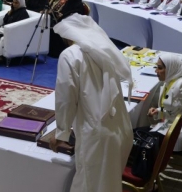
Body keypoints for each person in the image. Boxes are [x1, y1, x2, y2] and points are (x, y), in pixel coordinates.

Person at [49, 14, 133, 192]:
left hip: (97, 132)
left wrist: (61, 133)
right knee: (108, 185)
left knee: (88, 185)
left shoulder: (70, 55)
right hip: (121, 129)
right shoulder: (103, 49)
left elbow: (66, 98)